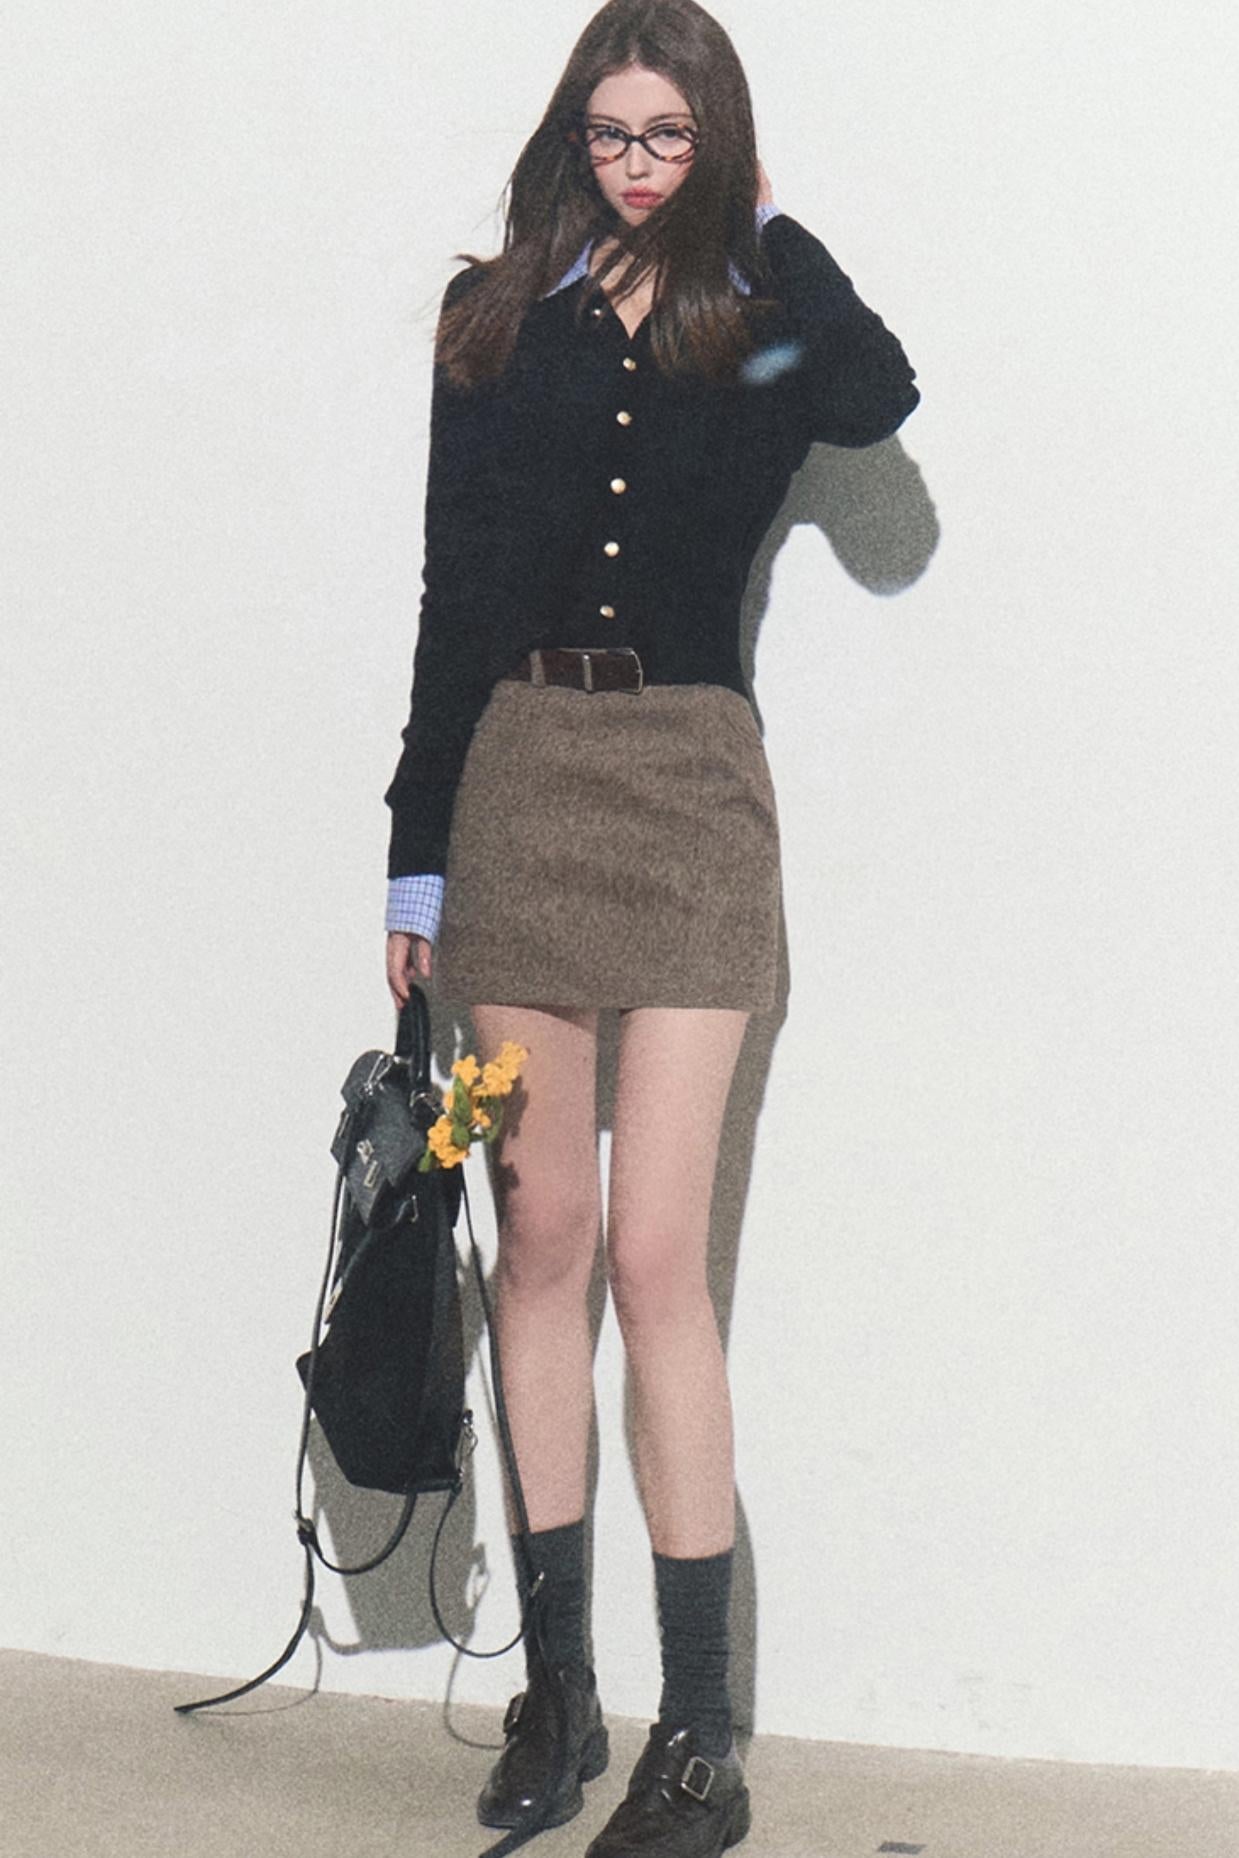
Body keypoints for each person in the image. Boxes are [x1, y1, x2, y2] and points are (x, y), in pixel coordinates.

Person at [383, 2, 918, 1852]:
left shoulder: (756, 318)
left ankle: (704, 1742)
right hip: (520, 787)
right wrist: (415, 863)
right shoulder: (494, 323)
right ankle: (560, 1694)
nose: (633, 166)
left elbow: (880, 395)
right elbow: (451, 598)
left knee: (657, 1263)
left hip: (693, 795)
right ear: (571, 136)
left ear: (717, 145)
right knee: (542, 1243)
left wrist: (767, 222)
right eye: (611, 134)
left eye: (669, 137)